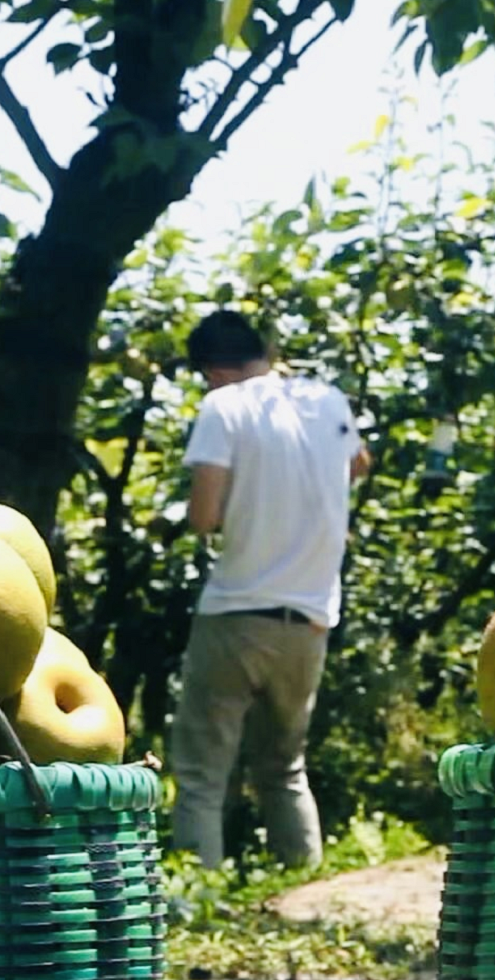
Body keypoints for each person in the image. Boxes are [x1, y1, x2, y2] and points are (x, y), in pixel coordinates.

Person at [168, 310, 370, 870]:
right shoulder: (326, 400)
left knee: (202, 770)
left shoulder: (223, 407)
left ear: (213, 370)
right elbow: (358, 464)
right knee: (284, 767)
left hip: (237, 610)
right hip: (309, 618)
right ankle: (304, 883)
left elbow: (203, 516)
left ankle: (196, 894)